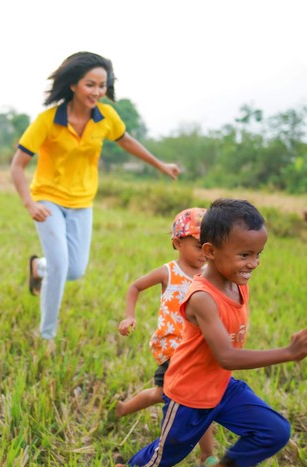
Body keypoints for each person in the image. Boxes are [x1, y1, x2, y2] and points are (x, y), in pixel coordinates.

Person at [116, 199, 307, 467]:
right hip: (189, 394)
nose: (253, 263)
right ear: (210, 251)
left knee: (275, 431)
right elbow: (225, 355)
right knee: (164, 456)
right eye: (244, 255)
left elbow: (226, 361)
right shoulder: (201, 297)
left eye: (257, 254)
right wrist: (287, 353)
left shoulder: (237, 282)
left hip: (222, 387)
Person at [11, 51, 181, 347]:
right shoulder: (48, 120)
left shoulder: (106, 118)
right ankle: (46, 336)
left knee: (74, 270)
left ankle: (39, 267)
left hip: (82, 203)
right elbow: (17, 165)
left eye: (102, 85)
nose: (98, 91)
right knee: (62, 266)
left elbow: (127, 141)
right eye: (91, 84)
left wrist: (160, 165)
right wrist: (29, 203)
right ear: (74, 84)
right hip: (48, 199)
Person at [115, 207, 216, 466]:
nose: (205, 254)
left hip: (200, 351)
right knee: (185, 399)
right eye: (198, 246)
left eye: (209, 247)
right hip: (173, 351)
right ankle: (124, 410)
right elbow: (135, 287)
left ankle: (207, 454)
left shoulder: (210, 276)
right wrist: (130, 316)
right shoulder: (168, 272)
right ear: (177, 242)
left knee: (197, 400)